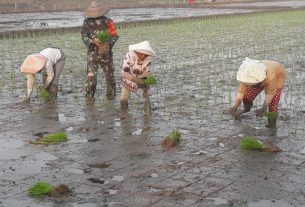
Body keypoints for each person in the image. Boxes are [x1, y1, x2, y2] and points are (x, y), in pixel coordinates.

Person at [229, 58, 286, 128]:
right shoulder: (247, 75)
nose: (249, 86)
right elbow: (241, 92)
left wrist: (264, 107)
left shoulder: (271, 76)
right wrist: (236, 105)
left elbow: (270, 93)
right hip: (258, 76)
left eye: (252, 84)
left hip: (277, 75)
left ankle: (271, 125)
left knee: (273, 104)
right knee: (247, 97)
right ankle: (246, 109)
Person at [81, 0, 119, 101]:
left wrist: (107, 43)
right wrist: (92, 41)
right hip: (93, 53)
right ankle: (89, 98)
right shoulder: (87, 22)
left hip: (106, 53)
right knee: (91, 77)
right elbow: (84, 36)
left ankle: (111, 98)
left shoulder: (109, 22)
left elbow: (115, 35)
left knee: (110, 76)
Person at [120, 41, 156, 115]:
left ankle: (148, 115)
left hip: (141, 80)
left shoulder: (147, 59)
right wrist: (136, 80)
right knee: (123, 100)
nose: (143, 56)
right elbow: (125, 73)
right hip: (128, 80)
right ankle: (124, 115)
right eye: (141, 54)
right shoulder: (129, 56)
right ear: (137, 51)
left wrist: (146, 79)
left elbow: (146, 72)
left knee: (146, 99)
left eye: (145, 55)